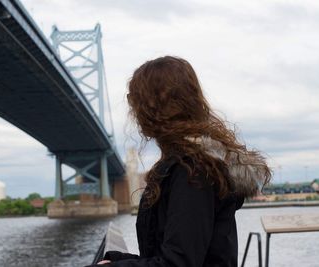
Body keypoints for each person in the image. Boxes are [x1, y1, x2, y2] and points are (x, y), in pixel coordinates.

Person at [87, 56, 272, 267]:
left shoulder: (192, 171)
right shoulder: (189, 163)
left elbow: (179, 263)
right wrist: (118, 260)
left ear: (154, 106)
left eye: (134, 100)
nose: (133, 110)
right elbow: (177, 254)